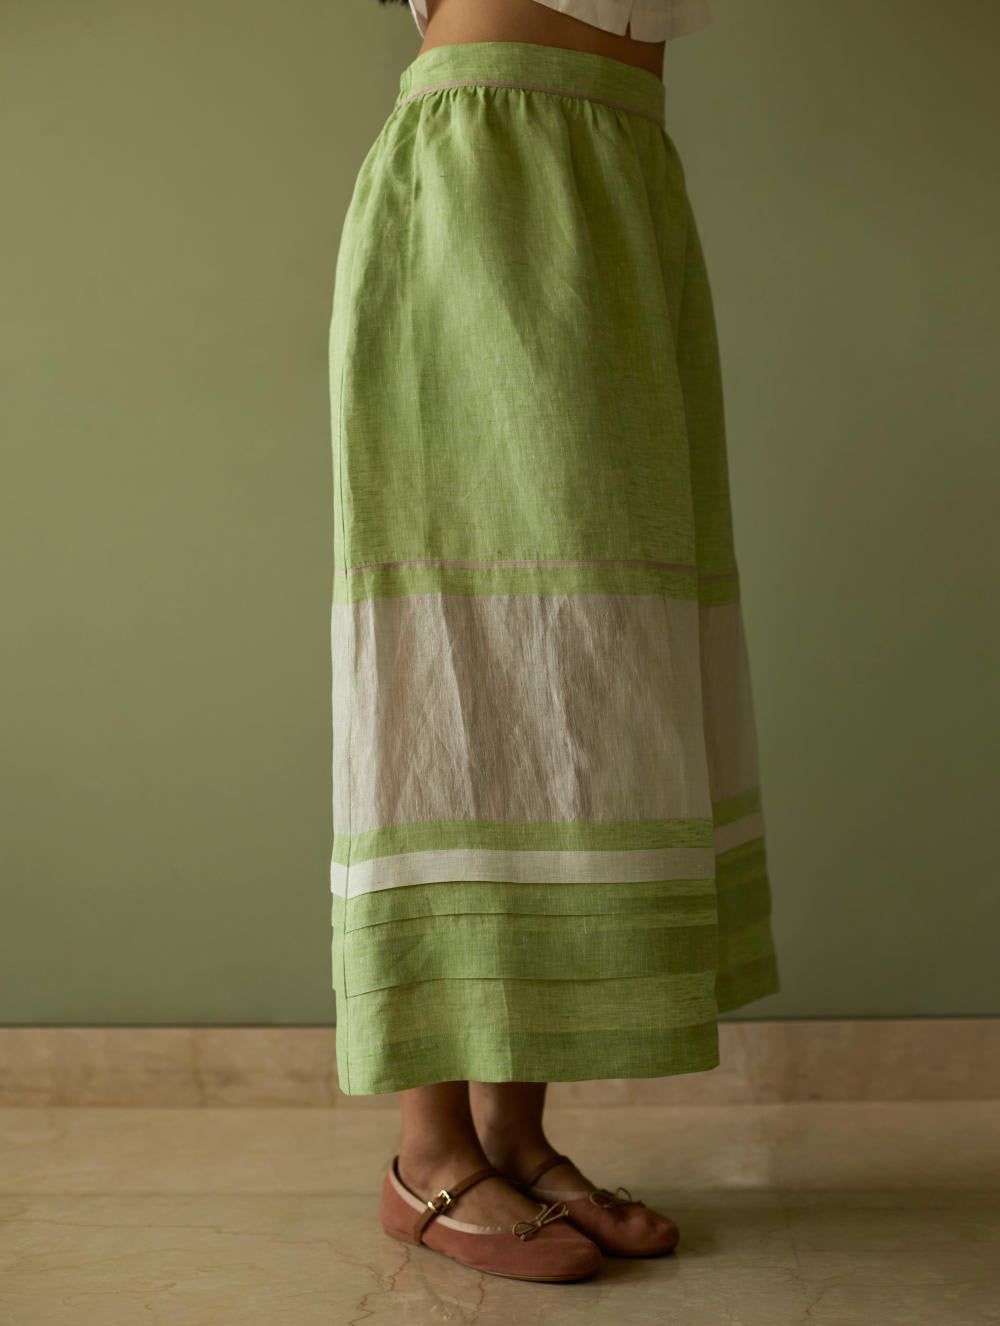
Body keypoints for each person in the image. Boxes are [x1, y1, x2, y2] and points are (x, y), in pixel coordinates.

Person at [328, 0, 780, 1282]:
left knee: (584, 654)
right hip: (486, 165)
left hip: (624, 172)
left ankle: (515, 1137)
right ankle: (427, 1149)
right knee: (459, 637)